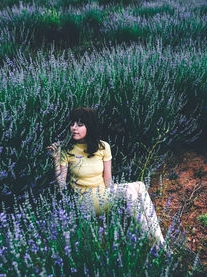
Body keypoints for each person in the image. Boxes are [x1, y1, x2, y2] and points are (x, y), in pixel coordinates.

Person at [47, 107, 166, 250]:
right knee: (130, 189)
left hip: (103, 195)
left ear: (89, 126)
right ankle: (154, 244)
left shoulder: (103, 147)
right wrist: (56, 159)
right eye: (72, 124)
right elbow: (61, 186)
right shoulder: (67, 150)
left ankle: (158, 242)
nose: (74, 128)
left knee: (139, 186)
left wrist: (116, 196)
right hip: (84, 201)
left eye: (80, 124)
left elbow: (108, 180)